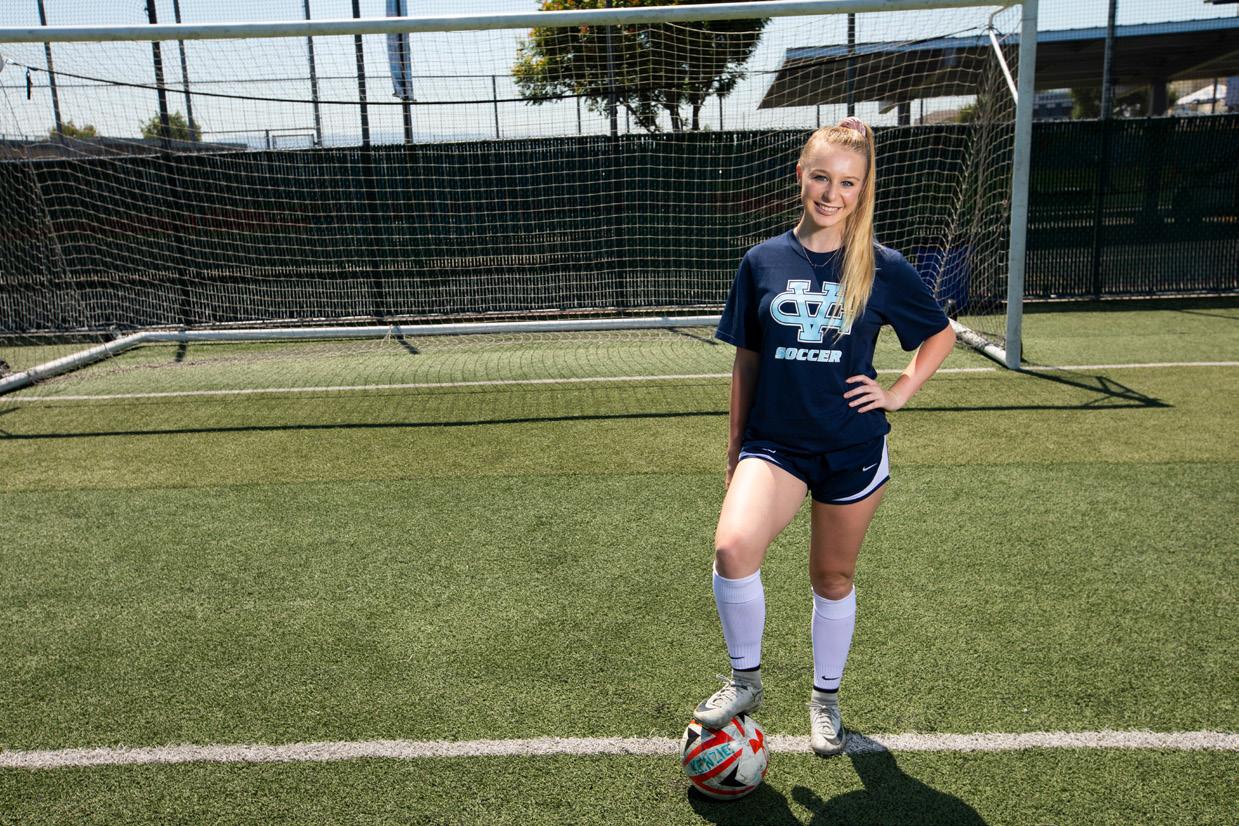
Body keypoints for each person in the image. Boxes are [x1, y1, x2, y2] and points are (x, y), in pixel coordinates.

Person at [693, 117, 957, 757]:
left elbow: (940, 333)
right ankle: (745, 681)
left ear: (863, 190)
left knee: (832, 577)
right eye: (821, 177)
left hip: (851, 447)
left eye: (847, 182)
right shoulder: (761, 262)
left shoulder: (883, 266)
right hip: (775, 444)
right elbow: (748, 361)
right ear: (800, 176)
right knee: (732, 549)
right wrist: (734, 447)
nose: (831, 193)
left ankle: (825, 700)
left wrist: (898, 391)